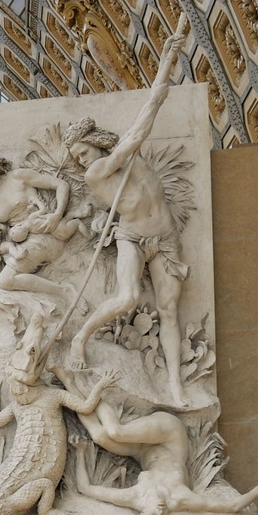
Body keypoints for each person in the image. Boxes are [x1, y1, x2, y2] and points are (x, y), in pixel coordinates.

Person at [65, 25, 191, 402]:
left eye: (82, 152)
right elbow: (136, 136)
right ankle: (81, 337)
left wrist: (166, 64)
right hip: (132, 237)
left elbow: (140, 128)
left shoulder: (122, 156)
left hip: (165, 236)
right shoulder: (99, 171)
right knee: (128, 299)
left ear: (95, 143)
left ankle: (174, 385)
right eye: (75, 159)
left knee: (168, 310)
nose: (81, 161)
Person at [66, 381, 258, 515]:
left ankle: (72, 385)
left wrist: (82, 452)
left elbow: (86, 489)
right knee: (113, 433)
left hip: (141, 451)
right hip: (170, 438)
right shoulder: (180, 499)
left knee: (103, 435)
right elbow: (233, 505)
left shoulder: (135, 497)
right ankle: (85, 387)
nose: (160, 511)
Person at [0, 148, 76, 299]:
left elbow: (61, 185)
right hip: (21, 240)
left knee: (4, 280)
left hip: (44, 230)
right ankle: (62, 291)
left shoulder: (18, 177)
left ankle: (64, 291)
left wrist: (57, 214)